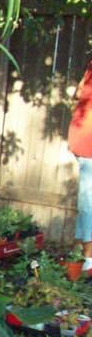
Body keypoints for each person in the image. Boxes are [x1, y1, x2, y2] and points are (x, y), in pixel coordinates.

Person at [68, 58, 92, 271]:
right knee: (88, 204)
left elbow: (77, 94)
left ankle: (78, 253)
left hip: (83, 141)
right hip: (88, 144)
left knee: (87, 203)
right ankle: (87, 259)